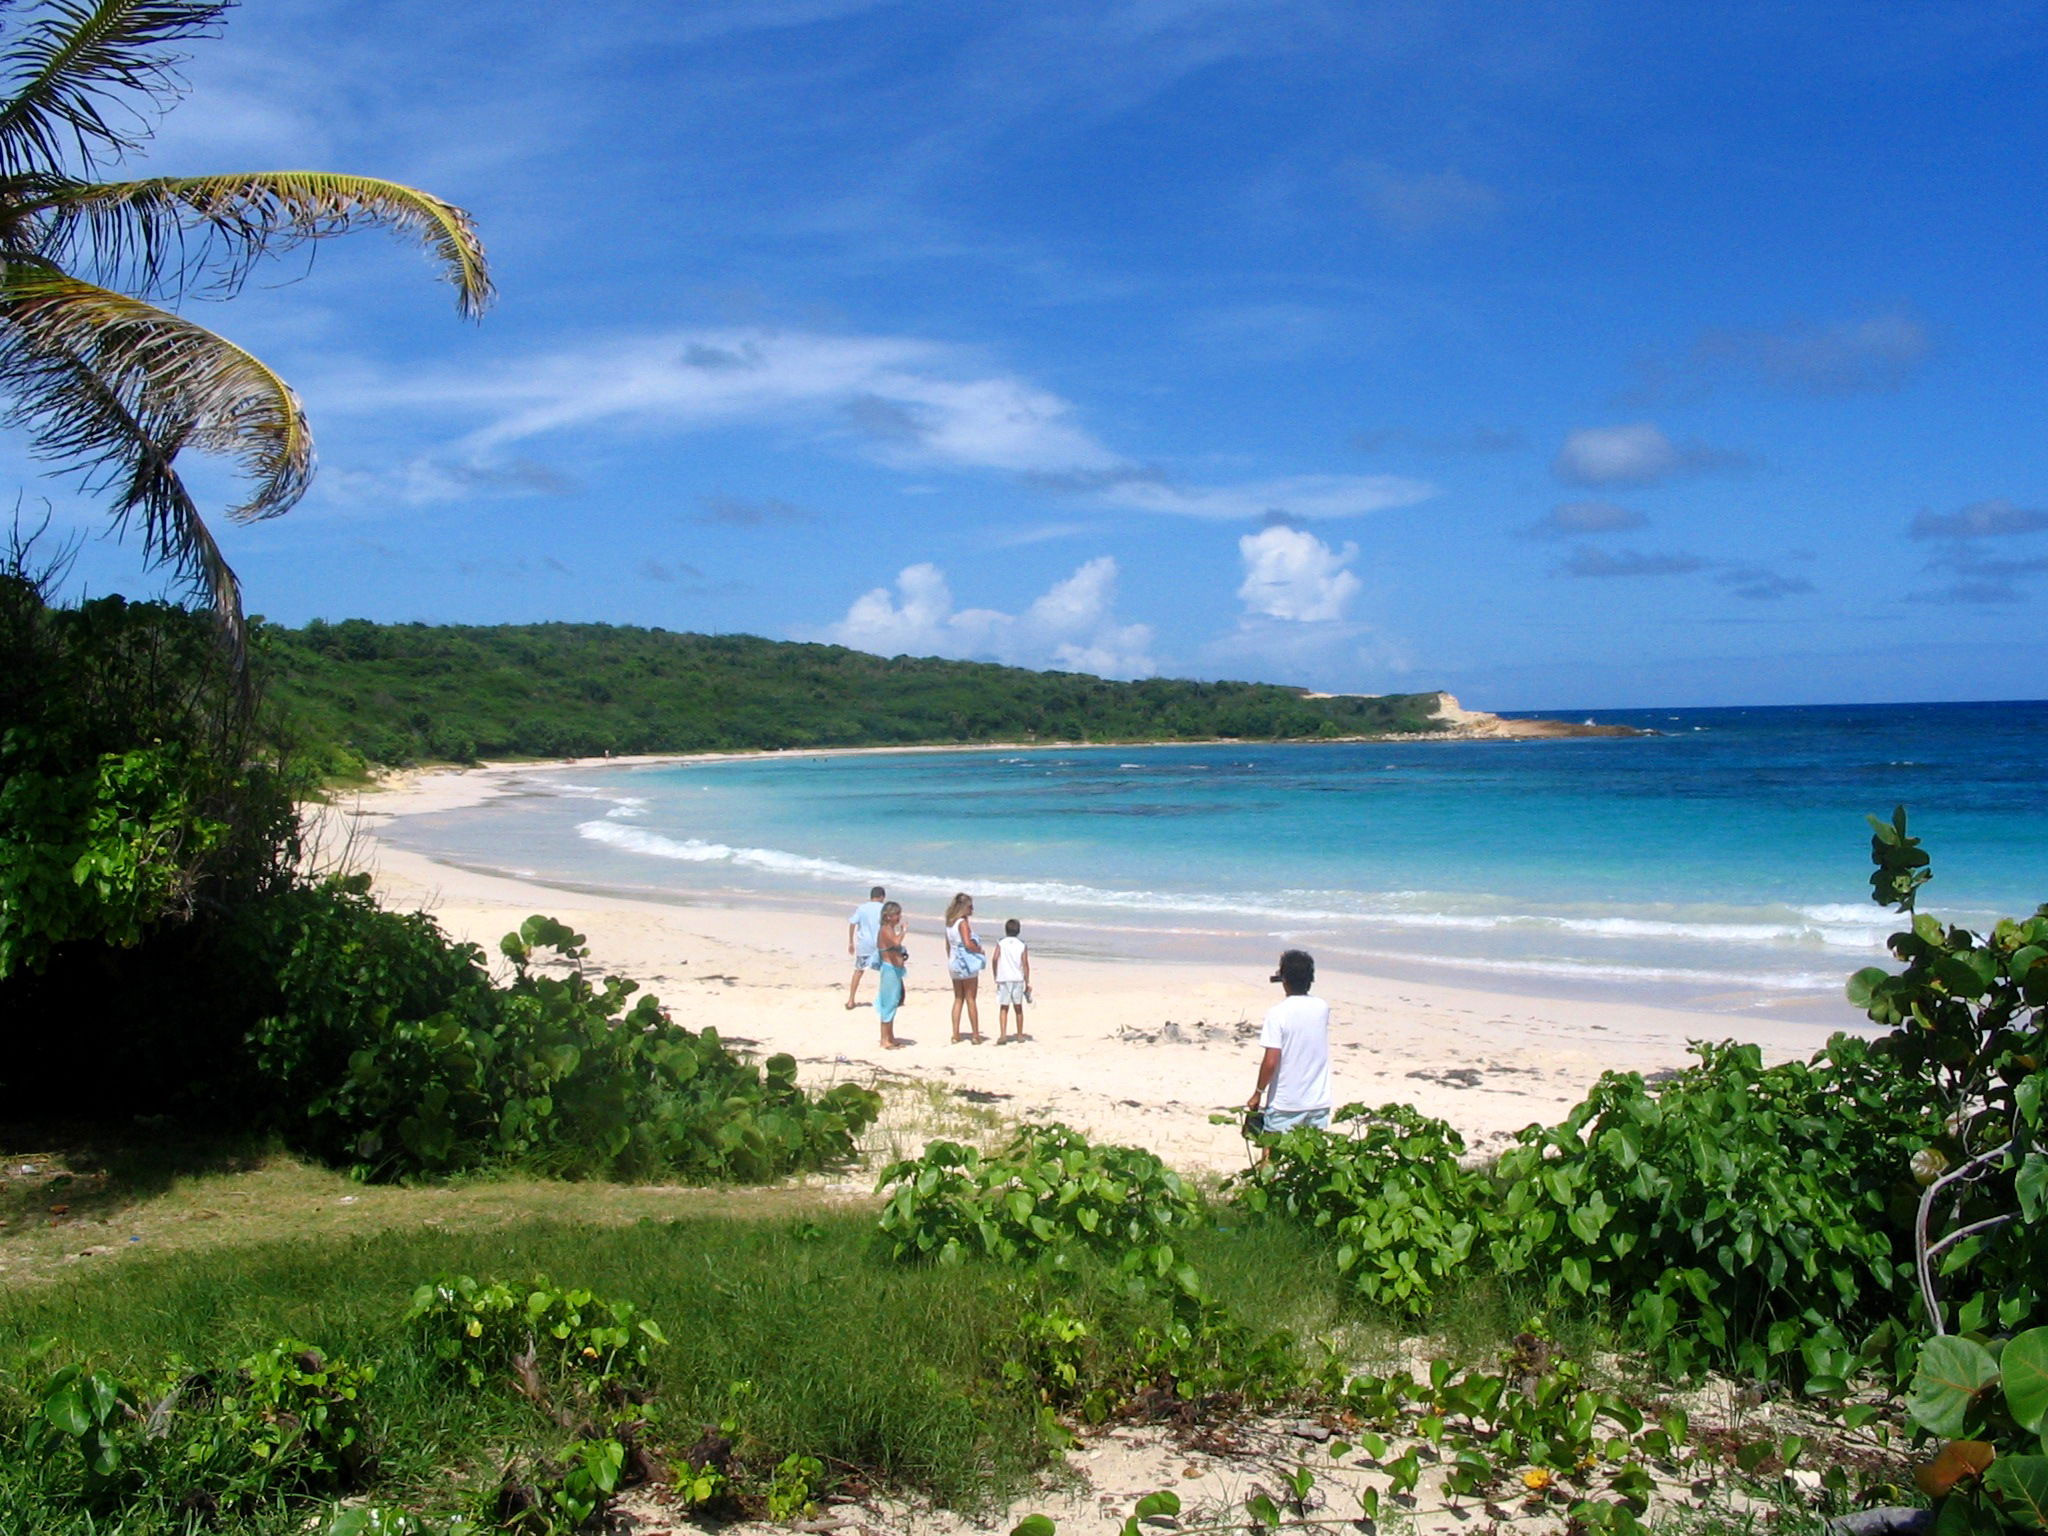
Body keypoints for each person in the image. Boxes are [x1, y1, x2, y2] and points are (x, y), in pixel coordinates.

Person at [1247, 948, 1331, 1133]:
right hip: (1318, 1101)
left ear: (1284, 979)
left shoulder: (1277, 1013)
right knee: (1312, 1158)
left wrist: (1258, 1093)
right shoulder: (1322, 1008)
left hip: (1286, 1103)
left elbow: (1271, 1061)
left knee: (1271, 1157)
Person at [943, 891, 985, 1044]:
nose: (972, 909)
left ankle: (955, 1034)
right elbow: (967, 943)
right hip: (965, 963)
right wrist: (979, 949)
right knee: (971, 999)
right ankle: (975, 1034)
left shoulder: (950, 923)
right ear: (964, 908)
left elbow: (948, 945)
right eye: (970, 907)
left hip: (953, 962)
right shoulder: (962, 923)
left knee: (958, 998)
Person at [874, 900, 908, 1050]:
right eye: (896, 914)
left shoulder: (889, 929)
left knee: (894, 1002)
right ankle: (884, 1039)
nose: (899, 917)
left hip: (895, 969)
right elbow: (895, 943)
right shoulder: (886, 929)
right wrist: (904, 931)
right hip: (889, 970)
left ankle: (890, 1036)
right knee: (888, 1003)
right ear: (888, 916)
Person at [846, 885, 886, 1009]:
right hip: (880, 945)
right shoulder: (884, 908)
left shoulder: (862, 908)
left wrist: (851, 942)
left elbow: (852, 923)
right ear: (881, 897)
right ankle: (884, 1000)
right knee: (885, 972)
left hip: (864, 944)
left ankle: (851, 1000)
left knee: (858, 971)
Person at [992, 918, 1031, 1043]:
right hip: (1017, 978)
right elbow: (1025, 964)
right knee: (1018, 1008)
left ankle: (1003, 1034)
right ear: (1019, 930)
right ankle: (1019, 1035)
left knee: (1004, 1007)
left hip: (1004, 978)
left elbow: (994, 958)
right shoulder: (1022, 945)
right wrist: (1027, 980)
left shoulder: (1001, 942)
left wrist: (996, 974)